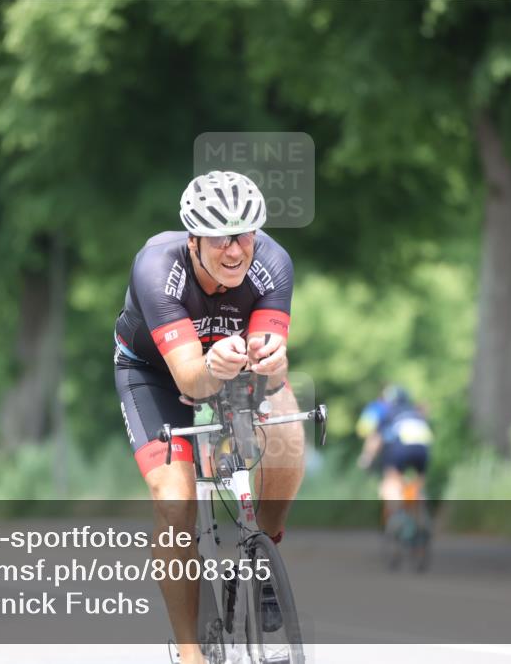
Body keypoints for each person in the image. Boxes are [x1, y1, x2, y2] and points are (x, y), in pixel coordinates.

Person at [114, 171, 304, 663]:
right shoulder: (157, 267)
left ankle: (264, 555)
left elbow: (271, 361)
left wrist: (273, 363)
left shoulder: (274, 264)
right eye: (220, 237)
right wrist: (211, 368)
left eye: (245, 235)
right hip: (155, 372)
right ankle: (190, 650)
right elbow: (191, 383)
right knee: (174, 501)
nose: (235, 251)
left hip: (233, 362)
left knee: (286, 429)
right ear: (194, 238)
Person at [356, 385, 433, 528]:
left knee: (390, 481)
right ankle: (421, 513)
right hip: (423, 448)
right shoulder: (414, 412)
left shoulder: (387, 412)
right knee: (418, 483)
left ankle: (397, 516)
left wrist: (367, 458)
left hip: (400, 448)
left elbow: (376, 438)